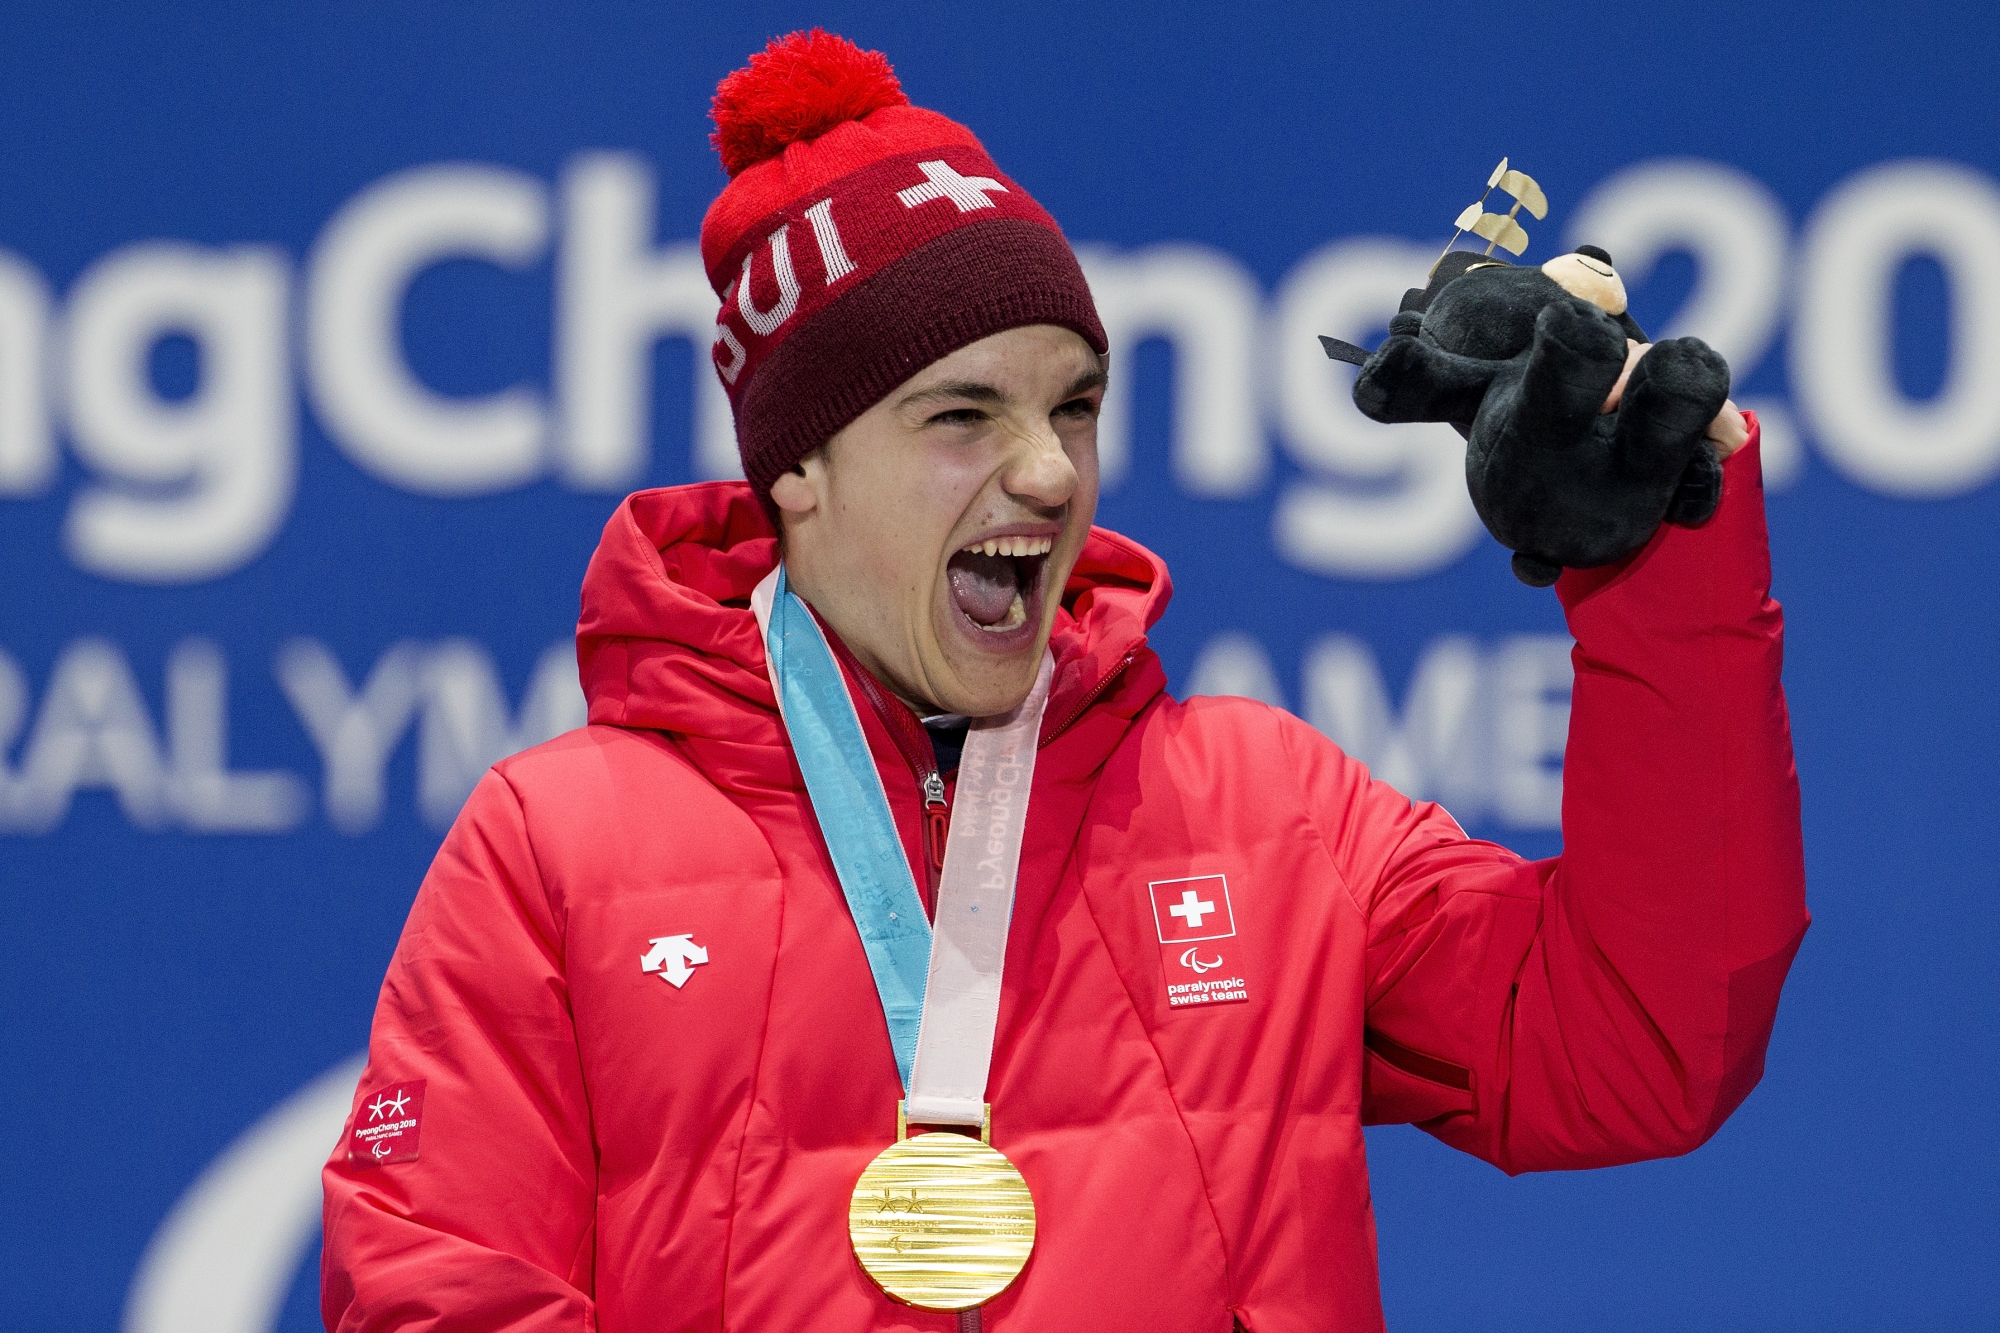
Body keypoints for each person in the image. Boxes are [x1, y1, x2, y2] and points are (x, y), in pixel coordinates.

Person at [321, 30, 1807, 1333]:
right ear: (800, 472)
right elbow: (435, 1290)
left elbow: (1639, 1049)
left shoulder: (1265, 811)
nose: (1047, 469)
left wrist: (1653, 577)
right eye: (961, 415)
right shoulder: (556, 851)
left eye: (1074, 406)